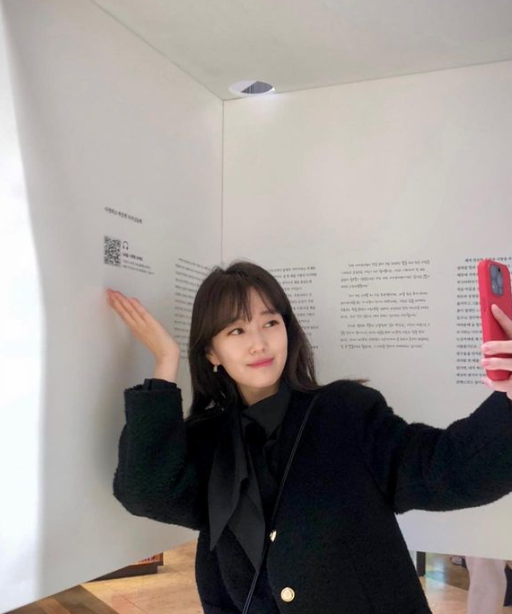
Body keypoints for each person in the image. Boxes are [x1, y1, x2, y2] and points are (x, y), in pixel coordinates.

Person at [108, 260, 512, 614]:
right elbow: (146, 492)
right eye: (237, 330)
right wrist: (165, 364)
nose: (259, 343)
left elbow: (448, 470)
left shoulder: (345, 412)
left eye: (270, 322)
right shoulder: (209, 440)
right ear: (211, 353)